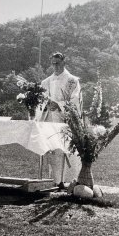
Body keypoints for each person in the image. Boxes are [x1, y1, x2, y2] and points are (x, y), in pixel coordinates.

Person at [36, 52, 82, 185]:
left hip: (65, 120)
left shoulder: (72, 81)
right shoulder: (46, 81)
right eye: (53, 63)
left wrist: (59, 105)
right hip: (50, 119)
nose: (55, 66)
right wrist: (45, 105)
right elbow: (40, 100)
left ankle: (70, 180)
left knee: (66, 149)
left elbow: (76, 100)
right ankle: (55, 180)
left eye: (58, 63)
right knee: (53, 149)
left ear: (64, 62)